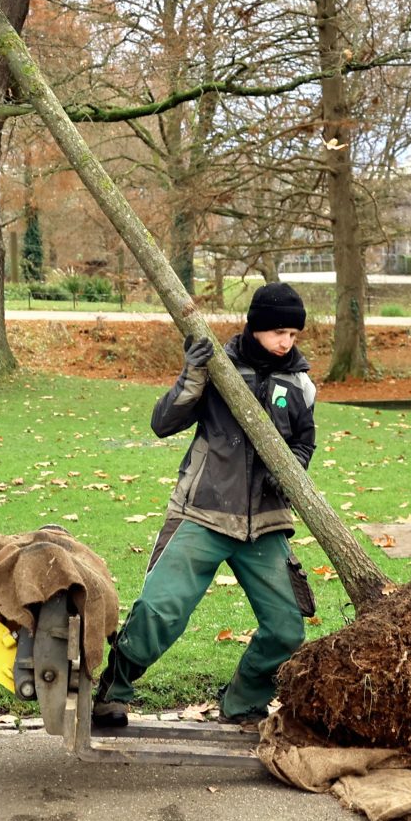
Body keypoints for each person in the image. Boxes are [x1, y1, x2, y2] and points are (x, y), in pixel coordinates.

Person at [94, 280, 317, 728]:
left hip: (266, 524)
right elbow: (163, 423)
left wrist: (291, 465)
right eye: (278, 333)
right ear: (256, 327)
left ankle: (242, 703)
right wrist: (192, 376)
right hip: (203, 511)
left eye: (293, 335)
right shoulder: (220, 368)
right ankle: (111, 693)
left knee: (286, 630)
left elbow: (305, 441)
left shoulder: (300, 384)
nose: (285, 343)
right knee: (160, 611)